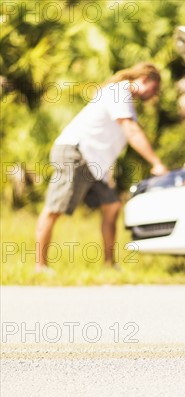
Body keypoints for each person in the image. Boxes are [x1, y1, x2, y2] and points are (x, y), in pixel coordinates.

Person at [35, 62, 168, 272]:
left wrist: (107, 173)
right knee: (54, 208)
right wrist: (157, 163)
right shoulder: (119, 92)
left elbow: (107, 140)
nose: (154, 95)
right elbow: (131, 131)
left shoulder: (124, 98)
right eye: (154, 89)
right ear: (144, 80)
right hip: (75, 154)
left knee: (112, 205)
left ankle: (109, 265)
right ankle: (40, 266)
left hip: (94, 163)